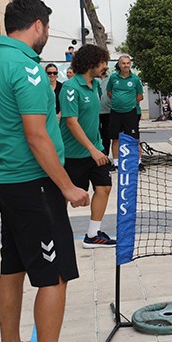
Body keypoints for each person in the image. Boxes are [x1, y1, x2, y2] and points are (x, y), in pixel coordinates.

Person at [0, 0, 90, 342]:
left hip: (7, 181)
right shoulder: (27, 68)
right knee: (54, 276)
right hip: (34, 185)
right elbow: (36, 133)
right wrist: (68, 186)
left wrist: (0, 169)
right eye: (47, 27)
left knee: (12, 268)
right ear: (38, 25)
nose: (47, 33)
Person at [59, 44, 115, 248]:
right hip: (74, 154)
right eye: (102, 63)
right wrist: (91, 150)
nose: (104, 67)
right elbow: (71, 122)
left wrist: (96, 148)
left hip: (96, 149)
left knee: (105, 187)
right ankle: (56, 234)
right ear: (90, 63)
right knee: (65, 196)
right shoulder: (70, 88)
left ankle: (93, 235)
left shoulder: (96, 85)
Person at [107, 55, 144, 172]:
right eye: (123, 63)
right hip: (115, 112)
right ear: (119, 65)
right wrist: (118, 102)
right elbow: (109, 92)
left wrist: (129, 104)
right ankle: (116, 163)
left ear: (130, 64)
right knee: (115, 138)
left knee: (134, 139)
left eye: (128, 63)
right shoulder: (113, 78)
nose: (126, 65)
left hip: (131, 113)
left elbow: (140, 96)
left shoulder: (135, 79)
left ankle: (138, 163)